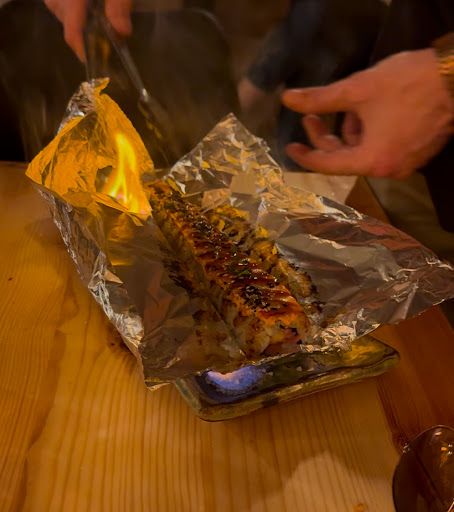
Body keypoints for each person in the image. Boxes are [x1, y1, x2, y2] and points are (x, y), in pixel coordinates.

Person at [237, 0, 387, 169]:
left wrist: (217, 124)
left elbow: (266, 70)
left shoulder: (315, 10)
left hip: (307, 154)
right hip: (348, 151)